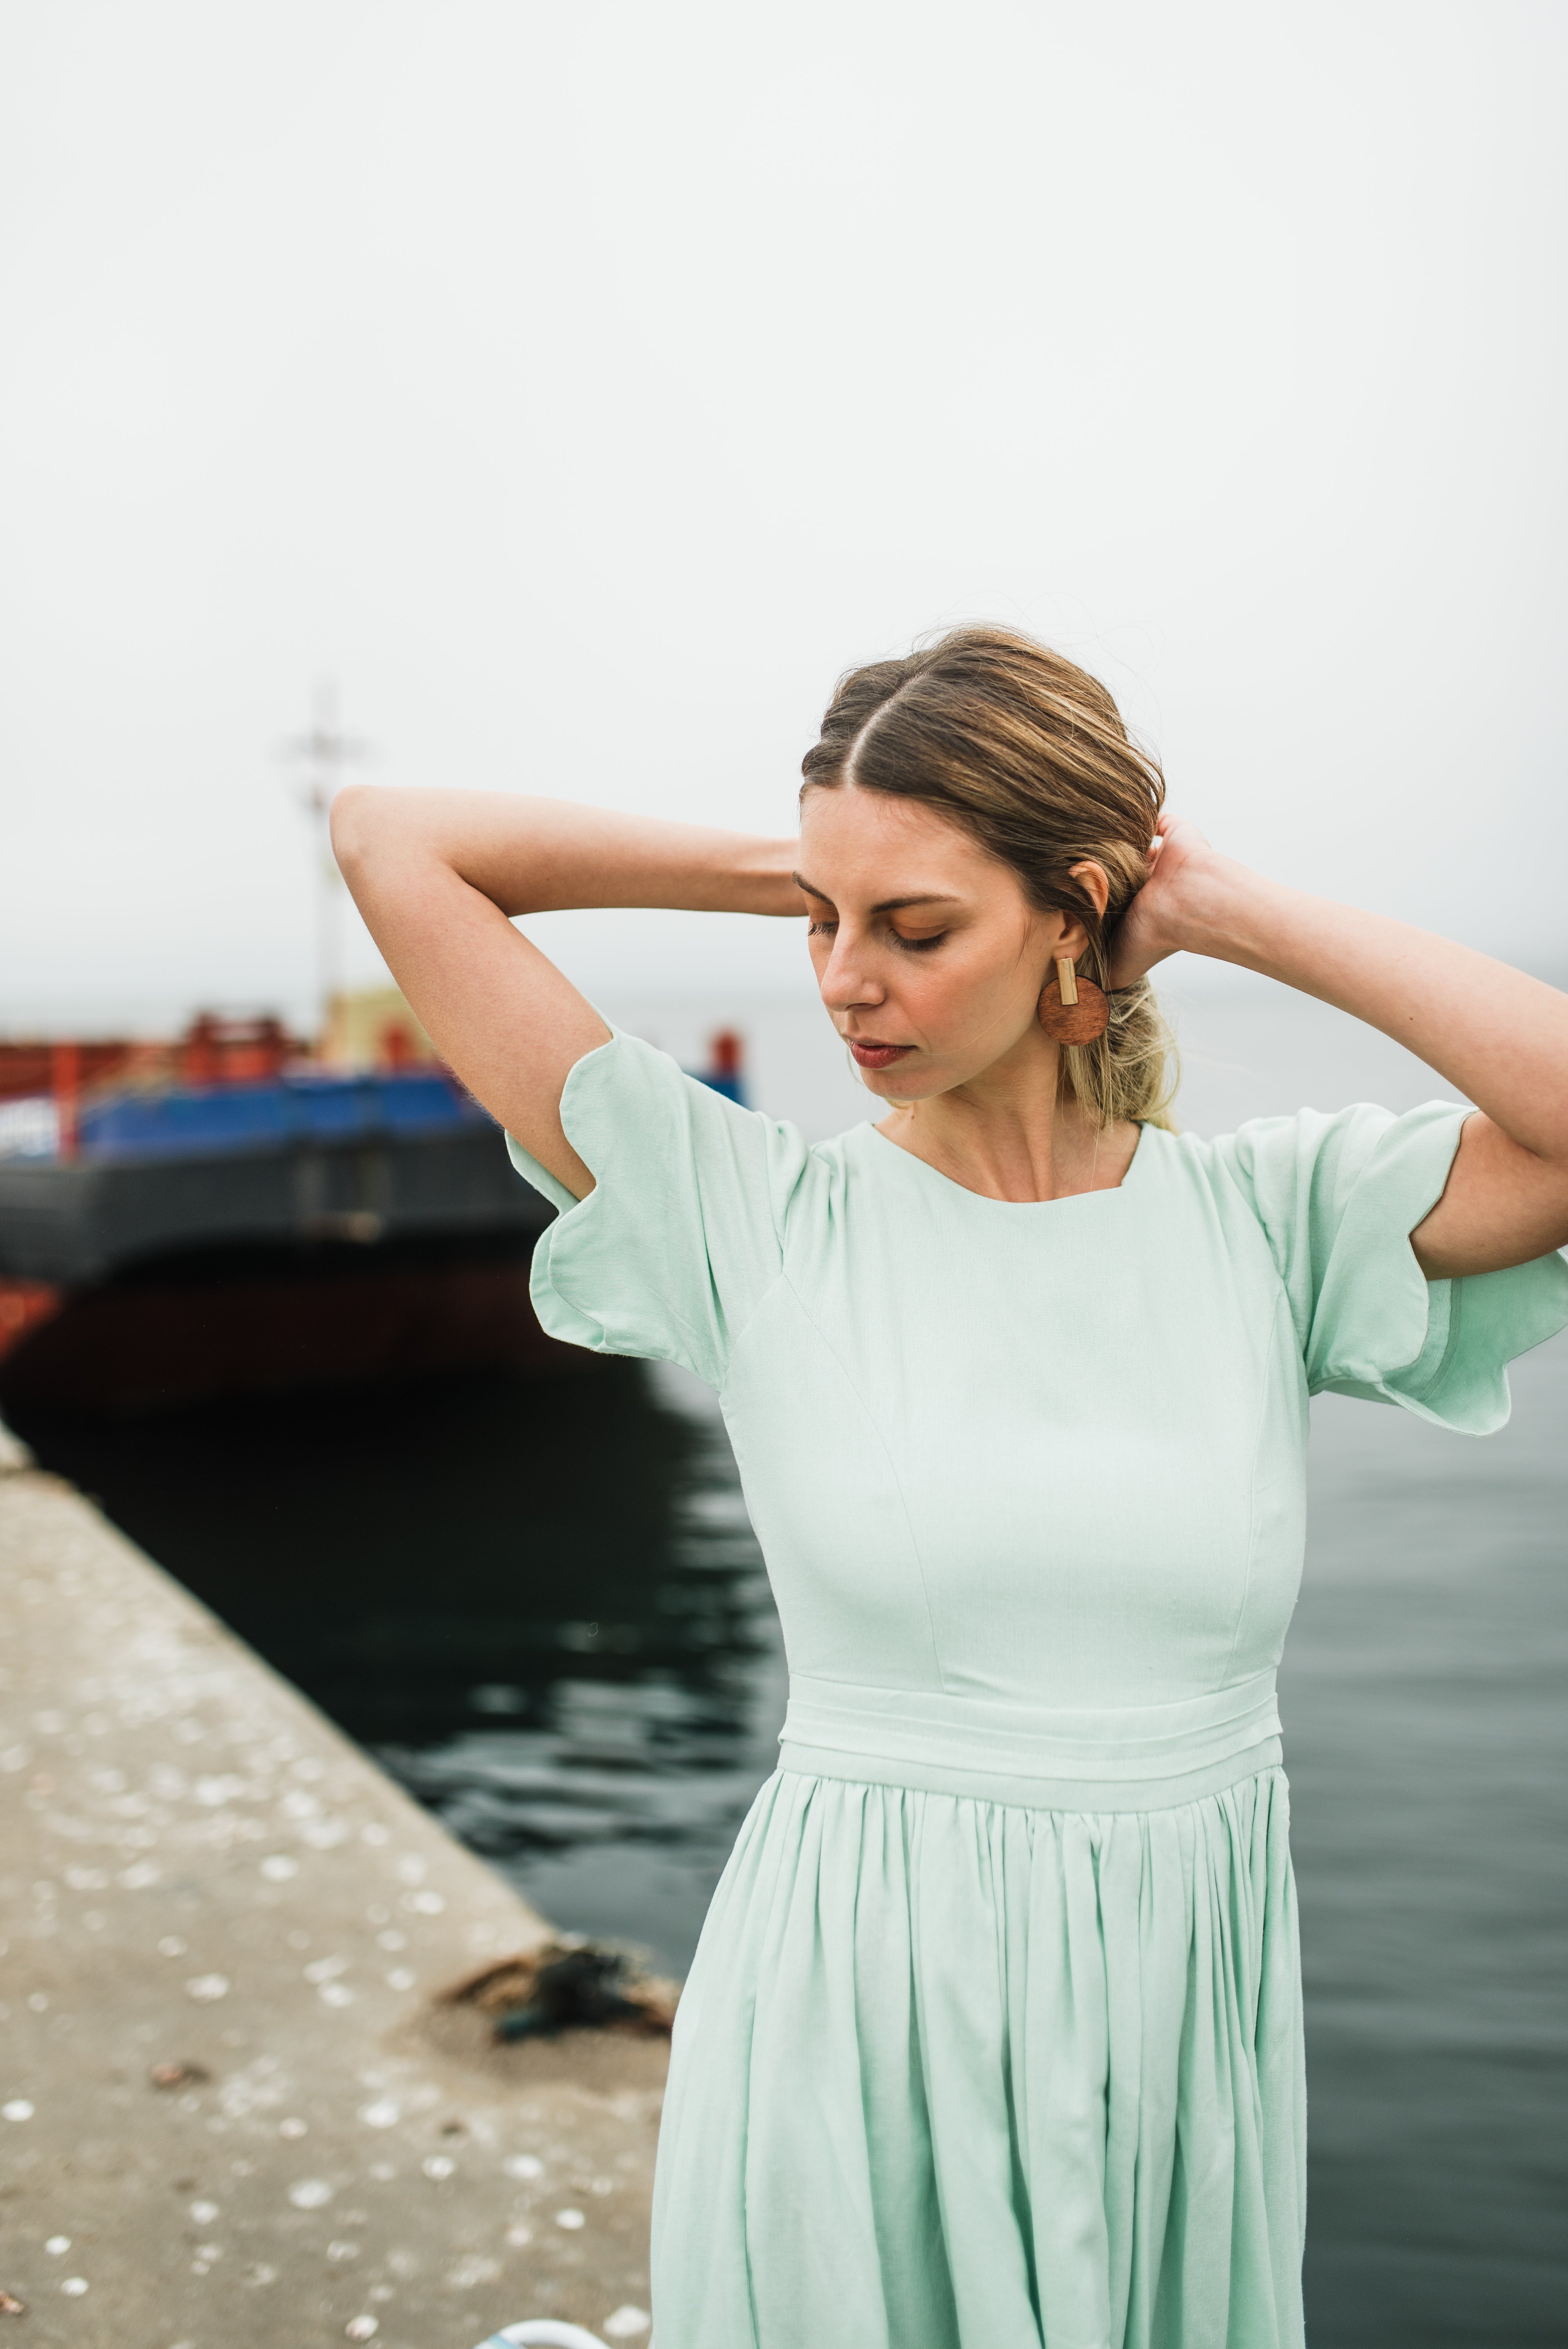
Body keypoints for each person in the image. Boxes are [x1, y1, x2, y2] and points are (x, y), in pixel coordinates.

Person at [332, 626, 1568, 2349]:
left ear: (1071, 917)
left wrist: (1210, 904)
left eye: (915, 931)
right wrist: (827, 859)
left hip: (1172, 2023)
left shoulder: (1265, 1222)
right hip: (857, 2014)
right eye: (824, 927)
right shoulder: (755, 1221)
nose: (844, 981)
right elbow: (394, 840)